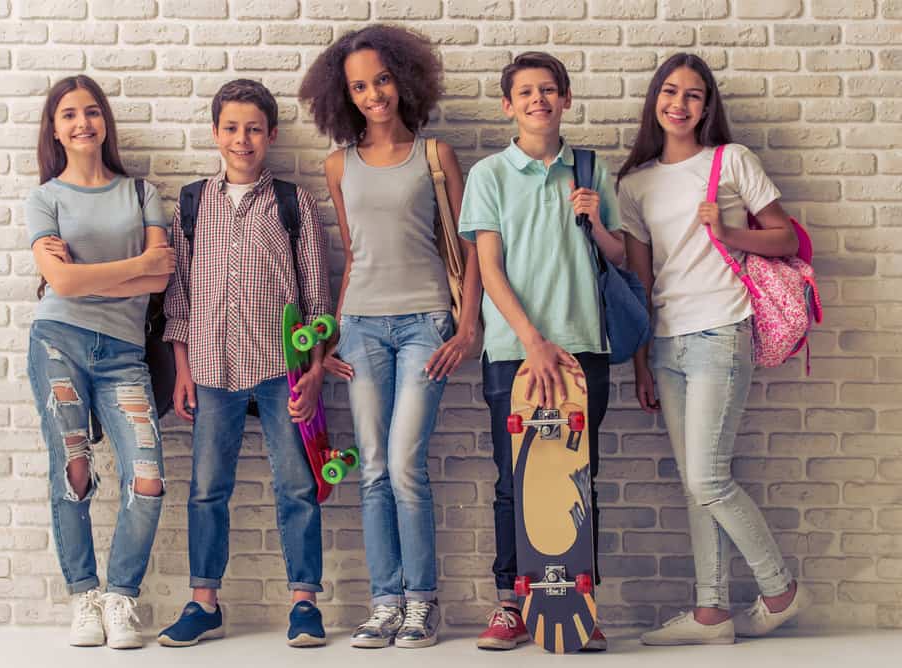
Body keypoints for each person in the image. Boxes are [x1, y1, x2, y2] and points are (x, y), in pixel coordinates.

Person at [299, 24, 482, 649]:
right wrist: (332, 341)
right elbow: (351, 256)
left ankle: (422, 602)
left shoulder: (437, 157)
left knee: (405, 464)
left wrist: (468, 325)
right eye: (359, 86)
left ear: (404, 80)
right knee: (372, 467)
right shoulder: (337, 165)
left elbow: (469, 244)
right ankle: (385, 601)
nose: (373, 94)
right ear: (343, 96)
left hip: (425, 323)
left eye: (381, 80)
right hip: (360, 326)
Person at [617, 53, 810, 646]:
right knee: (694, 480)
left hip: (723, 330)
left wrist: (727, 231)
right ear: (655, 100)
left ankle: (779, 590)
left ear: (708, 106)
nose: (680, 103)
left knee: (708, 478)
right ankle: (712, 613)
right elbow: (641, 281)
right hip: (669, 341)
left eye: (694, 95)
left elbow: (785, 235)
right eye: (670, 91)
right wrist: (643, 360)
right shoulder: (635, 183)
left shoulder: (731, 162)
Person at [156, 80, 331, 648]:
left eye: (254, 128)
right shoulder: (192, 202)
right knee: (207, 487)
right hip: (210, 368)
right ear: (215, 133)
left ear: (272, 135)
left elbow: (316, 295)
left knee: (296, 484)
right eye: (231, 127)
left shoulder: (292, 201)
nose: (242, 138)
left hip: (282, 369)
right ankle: (204, 602)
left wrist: (315, 367)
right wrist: (182, 369)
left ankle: (304, 602)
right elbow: (178, 295)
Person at [458, 51, 624, 652]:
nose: (538, 100)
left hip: (583, 347)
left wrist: (598, 222)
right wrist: (532, 341)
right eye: (526, 92)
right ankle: (512, 603)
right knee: (514, 480)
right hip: (514, 352)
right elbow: (490, 269)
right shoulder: (489, 175)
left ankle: (580, 606)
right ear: (509, 104)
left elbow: (620, 257)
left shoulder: (590, 168)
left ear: (566, 99)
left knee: (579, 478)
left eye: (549, 90)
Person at [25, 75, 173, 649]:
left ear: (104, 121)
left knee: (148, 477)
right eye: (68, 114)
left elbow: (162, 276)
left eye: (91, 112)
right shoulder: (44, 197)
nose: (82, 122)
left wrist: (90, 276)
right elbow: (57, 282)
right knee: (74, 468)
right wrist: (131, 266)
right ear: (55, 129)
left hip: (123, 353)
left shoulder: (142, 194)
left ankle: (120, 597)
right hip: (57, 338)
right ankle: (83, 595)